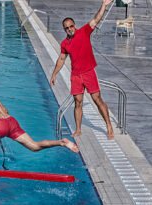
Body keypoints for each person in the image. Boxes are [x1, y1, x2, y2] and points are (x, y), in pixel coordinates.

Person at [0, 78, 79, 160]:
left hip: (0, 126)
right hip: (11, 122)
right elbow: (6, 110)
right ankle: (61, 142)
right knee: (34, 146)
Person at [50, 0, 114, 140]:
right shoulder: (65, 43)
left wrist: (103, 5)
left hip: (89, 72)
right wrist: (54, 74)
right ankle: (78, 129)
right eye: (66, 28)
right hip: (76, 75)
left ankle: (108, 125)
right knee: (77, 102)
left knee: (97, 99)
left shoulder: (84, 31)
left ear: (75, 25)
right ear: (64, 29)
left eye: (71, 26)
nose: (69, 29)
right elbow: (61, 59)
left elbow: (96, 19)